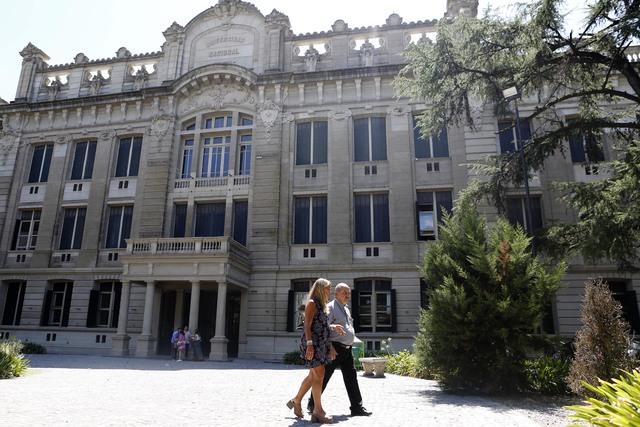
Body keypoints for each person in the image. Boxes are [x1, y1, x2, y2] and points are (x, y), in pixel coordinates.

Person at [308, 283, 372, 417]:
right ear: (336, 294)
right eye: (344, 293)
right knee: (323, 377)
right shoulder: (331, 307)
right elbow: (325, 328)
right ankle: (312, 404)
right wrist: (330, 347)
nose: (347, 295)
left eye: (348, 293)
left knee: (351, 377)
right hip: (335, 349)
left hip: (346, 350)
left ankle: (357, 408)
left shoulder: (346, 308)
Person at [286, 278, 339, 424]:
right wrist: (310, 345)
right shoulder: (311, 303)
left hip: (321, 344)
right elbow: (307, 325)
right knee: (319, 373)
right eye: (328, 289)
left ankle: (296, 400)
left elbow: (321, 327)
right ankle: (318, 411)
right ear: (321, 289)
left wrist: (333, 332)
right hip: (312, 345)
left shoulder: (322, 306)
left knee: (313, 375)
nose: (330, 291)